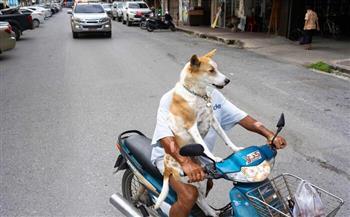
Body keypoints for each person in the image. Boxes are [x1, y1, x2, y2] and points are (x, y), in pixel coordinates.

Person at [151, 88, 287, 217]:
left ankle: (189, 209)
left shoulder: (213, 95)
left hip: (199, 155)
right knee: (189, 195)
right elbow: (165, 138)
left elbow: (241, 116)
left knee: (209, 183)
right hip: (170, 155)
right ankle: (183, 203)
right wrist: (186, 163)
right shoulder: (170, 99)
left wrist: (269, 134)